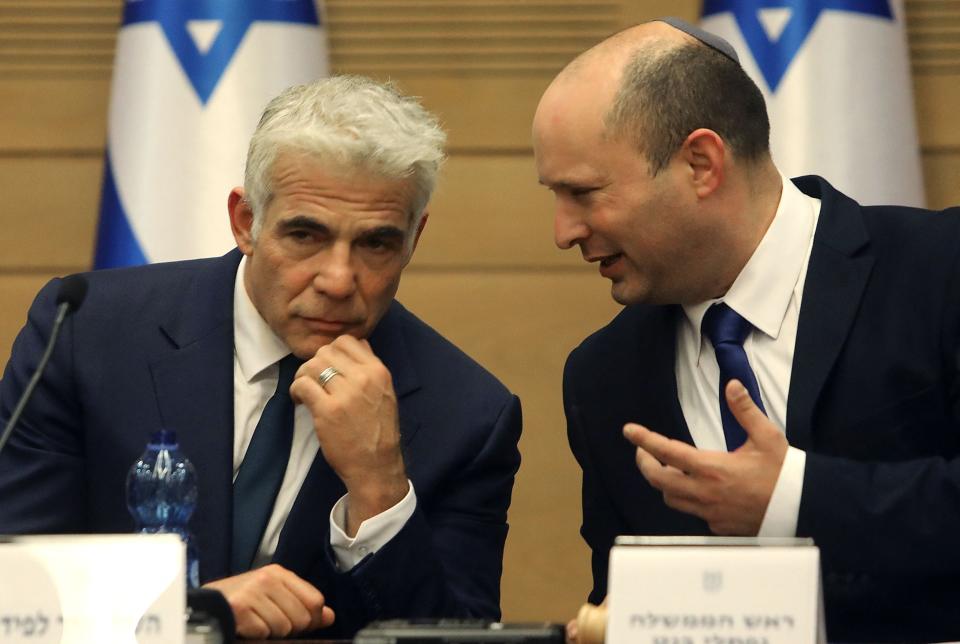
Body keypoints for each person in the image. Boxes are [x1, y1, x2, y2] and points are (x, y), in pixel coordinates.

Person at [0, 75, 522, 640]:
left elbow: (458, 633)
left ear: (413, 238)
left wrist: (381, 490)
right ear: (246, 221)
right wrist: (188, 612)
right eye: (305, 235)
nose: (339, 279)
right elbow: (15, 584)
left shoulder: (467, 415)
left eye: (376, 243)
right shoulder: (86, 333)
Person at [532, 17, 960, 644]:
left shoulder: (939, 270)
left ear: (701, 164)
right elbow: (628, 603)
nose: (563, 231)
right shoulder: (604, 376)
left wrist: (794, 495)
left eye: (585, 193)